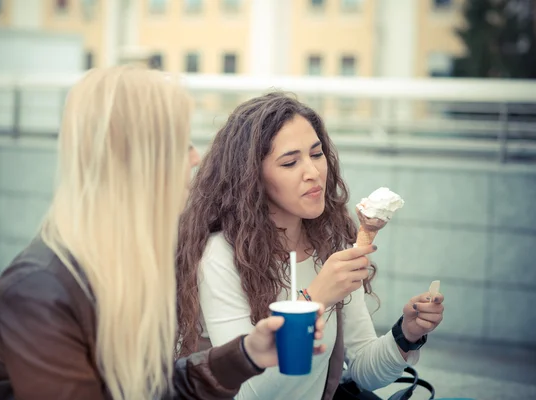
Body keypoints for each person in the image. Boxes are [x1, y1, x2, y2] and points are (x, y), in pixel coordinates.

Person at [0, 67, 328, 400]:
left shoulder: (124, 261)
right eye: (178, 144)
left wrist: (246, 354)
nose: (195, 157)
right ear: (138, 161)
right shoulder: (40, 288)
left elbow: (151, 391)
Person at [176, 92, 445, 399]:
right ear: (251, 178)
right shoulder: (219, 257)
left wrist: (407, 334)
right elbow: (246, 393)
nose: (313, 173)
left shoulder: (330, 245)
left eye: (317, 155)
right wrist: (314, 299)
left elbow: (364, 371)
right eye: (290, 162)